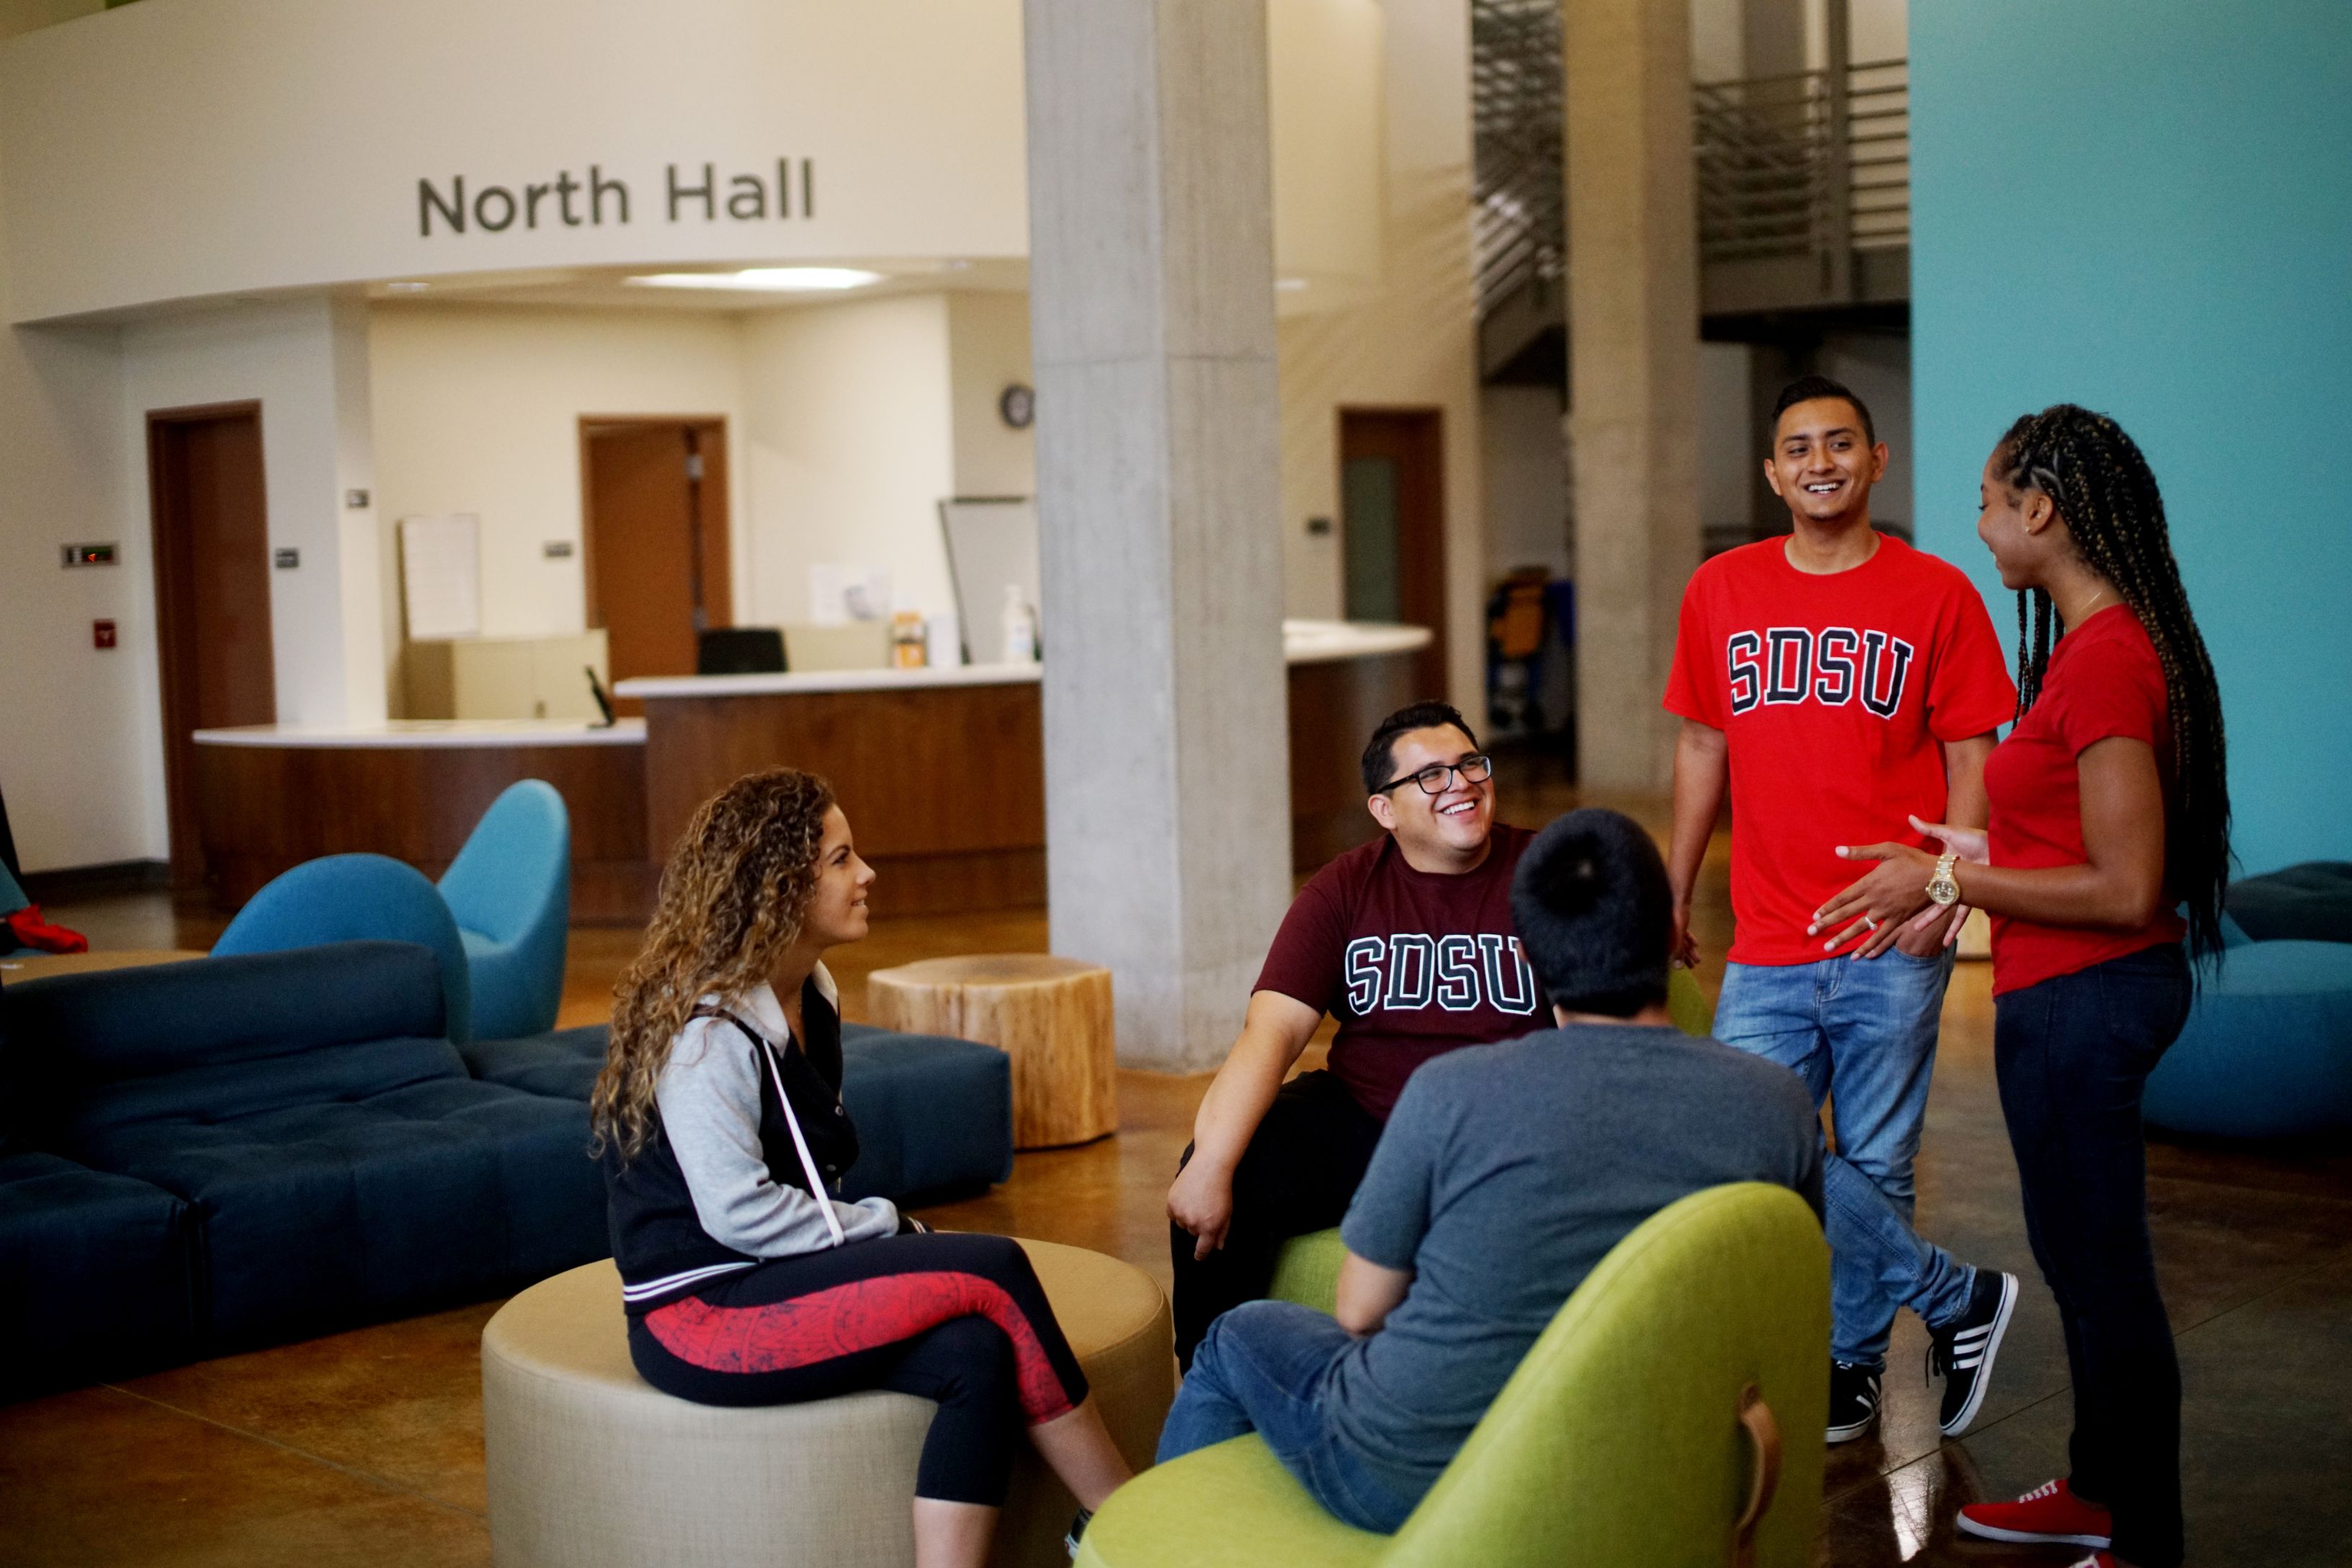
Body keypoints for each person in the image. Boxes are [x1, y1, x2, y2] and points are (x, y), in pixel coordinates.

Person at [1155, 809, 1823, 1531]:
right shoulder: (1777, 1102)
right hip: (1665, 1460)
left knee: (1232, 1337)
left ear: (1529, 953)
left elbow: (1359, 1310)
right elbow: (1786, 1282)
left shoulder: (1452, 1092)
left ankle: (1150, 1533)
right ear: (1670, 933)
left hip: (1424, 1474)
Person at [1816, 406, 2227, 1568]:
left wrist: (1948, 872)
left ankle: (2142, 1533)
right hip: (2068, 994)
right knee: (2079, 1263)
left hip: (2090, 997)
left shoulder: (2106, 655)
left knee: (2106, 1277)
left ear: (2041, 509)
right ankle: (2101, 1490)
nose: (1984, 524)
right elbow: (2083, 852)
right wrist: (1980, 858)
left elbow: (2125, 884)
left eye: (1993, 501)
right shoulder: (2102, 644)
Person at [592, 769, 1132, 1568]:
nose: (867, 873)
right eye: (842, 859)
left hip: (778, 1274)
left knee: (977, 1351)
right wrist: (886, 1226)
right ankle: (1130, 1520)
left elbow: (811, 1180)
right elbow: (736, 1212)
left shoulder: (812, 991)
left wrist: (871, 1234)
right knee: (995, 1264)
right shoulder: (706, 1033)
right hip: (701, 1312)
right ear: (780, 887)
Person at [1664, 375, 2023, 1443]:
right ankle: (1955, 1295)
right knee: (1744, 1137)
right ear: (1772, 473)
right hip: (1769, 932)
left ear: (1874, 462)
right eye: (1798, 448)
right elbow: (1699, 746)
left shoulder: (1938, 594)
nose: (1819, 462)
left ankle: (1851, 1361)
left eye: (1839, 444)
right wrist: (1674, 889)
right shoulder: (1720, 590)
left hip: (1888, 927)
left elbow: (1973, 753)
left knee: (1874, 1157)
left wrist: (1947, 892)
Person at [1166, 701, 1549, 1366]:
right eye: (1430, 776)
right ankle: (1212, 1383)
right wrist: (1212, 1161)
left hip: (1501, 1125)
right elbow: (1272, 1032)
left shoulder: (1544, 868)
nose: (1459, 783)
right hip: (1368, 1117)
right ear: (1384, 810)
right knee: (1228, 1163)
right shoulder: (1346, 887)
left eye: (1469, 765)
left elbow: (1617, 958)